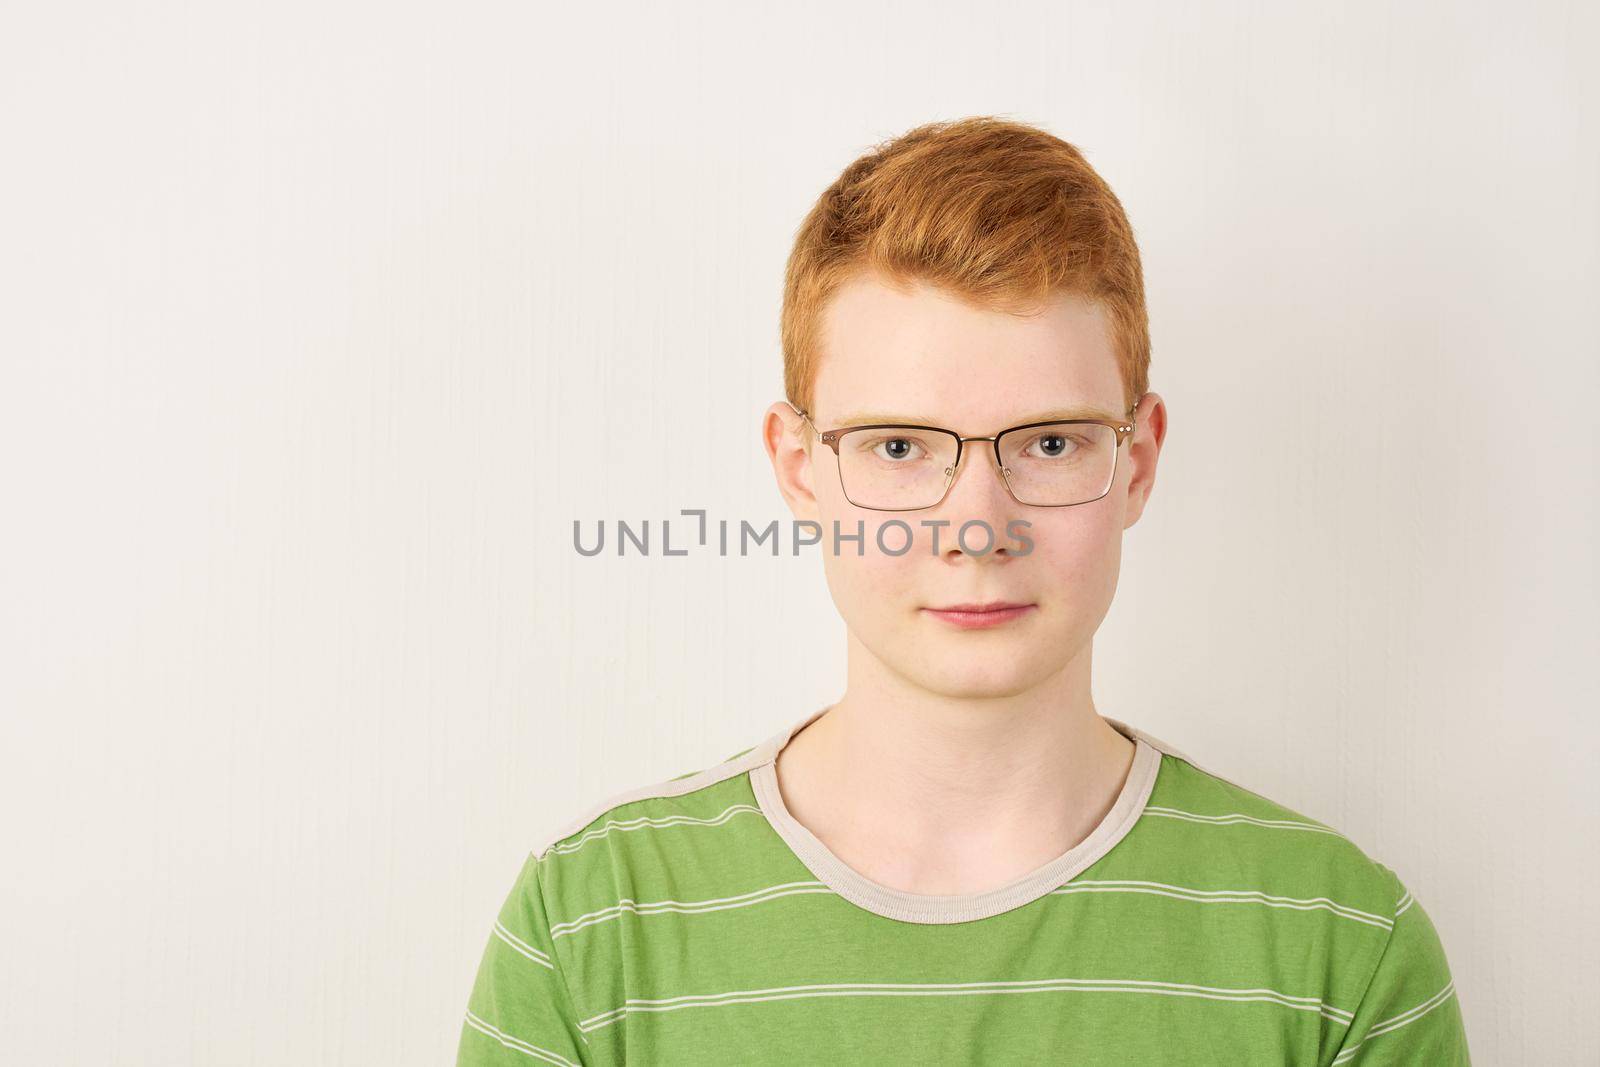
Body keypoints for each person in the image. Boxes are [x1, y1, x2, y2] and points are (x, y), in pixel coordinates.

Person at [456, 115, 1471, 1065]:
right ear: (799, 466)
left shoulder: (1342, 947)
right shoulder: (589, 928)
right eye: (898, 445)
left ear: (1140, 459)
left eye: (1050, 441)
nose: (977, 528)